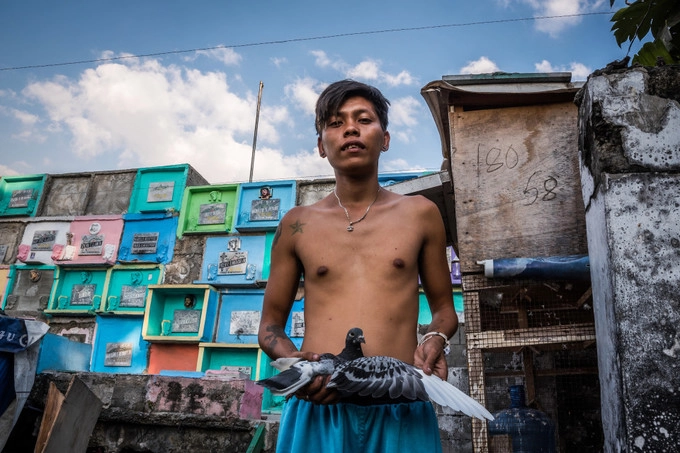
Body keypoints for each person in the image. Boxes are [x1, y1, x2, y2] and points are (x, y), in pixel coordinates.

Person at [258, 80, 458, 453]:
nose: (350, 128)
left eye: (363, 119)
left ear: (385, 138)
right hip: (318, 408)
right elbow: (269, 326)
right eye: (335, 123)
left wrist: (435, 338)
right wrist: (297, 366)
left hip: (401, 406)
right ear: (321, 146)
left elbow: (445, 311)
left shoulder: (421, 215)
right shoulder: (296, 224)